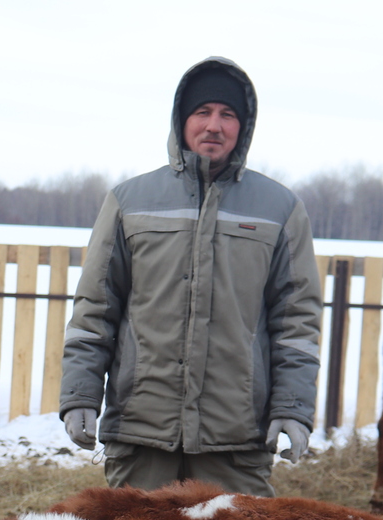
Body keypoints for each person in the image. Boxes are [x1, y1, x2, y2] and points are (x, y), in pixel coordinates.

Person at [58, 57, 322, 496]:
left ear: (244, 126)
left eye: (227, 114)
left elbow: (297, 323)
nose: (213, 125)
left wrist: (293, 407)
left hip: (236, 440)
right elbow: (94, 312)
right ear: (182, 120)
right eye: (202, 112)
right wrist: (81, 396)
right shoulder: (129, 201)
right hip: (141, 434)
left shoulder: (279, 208)